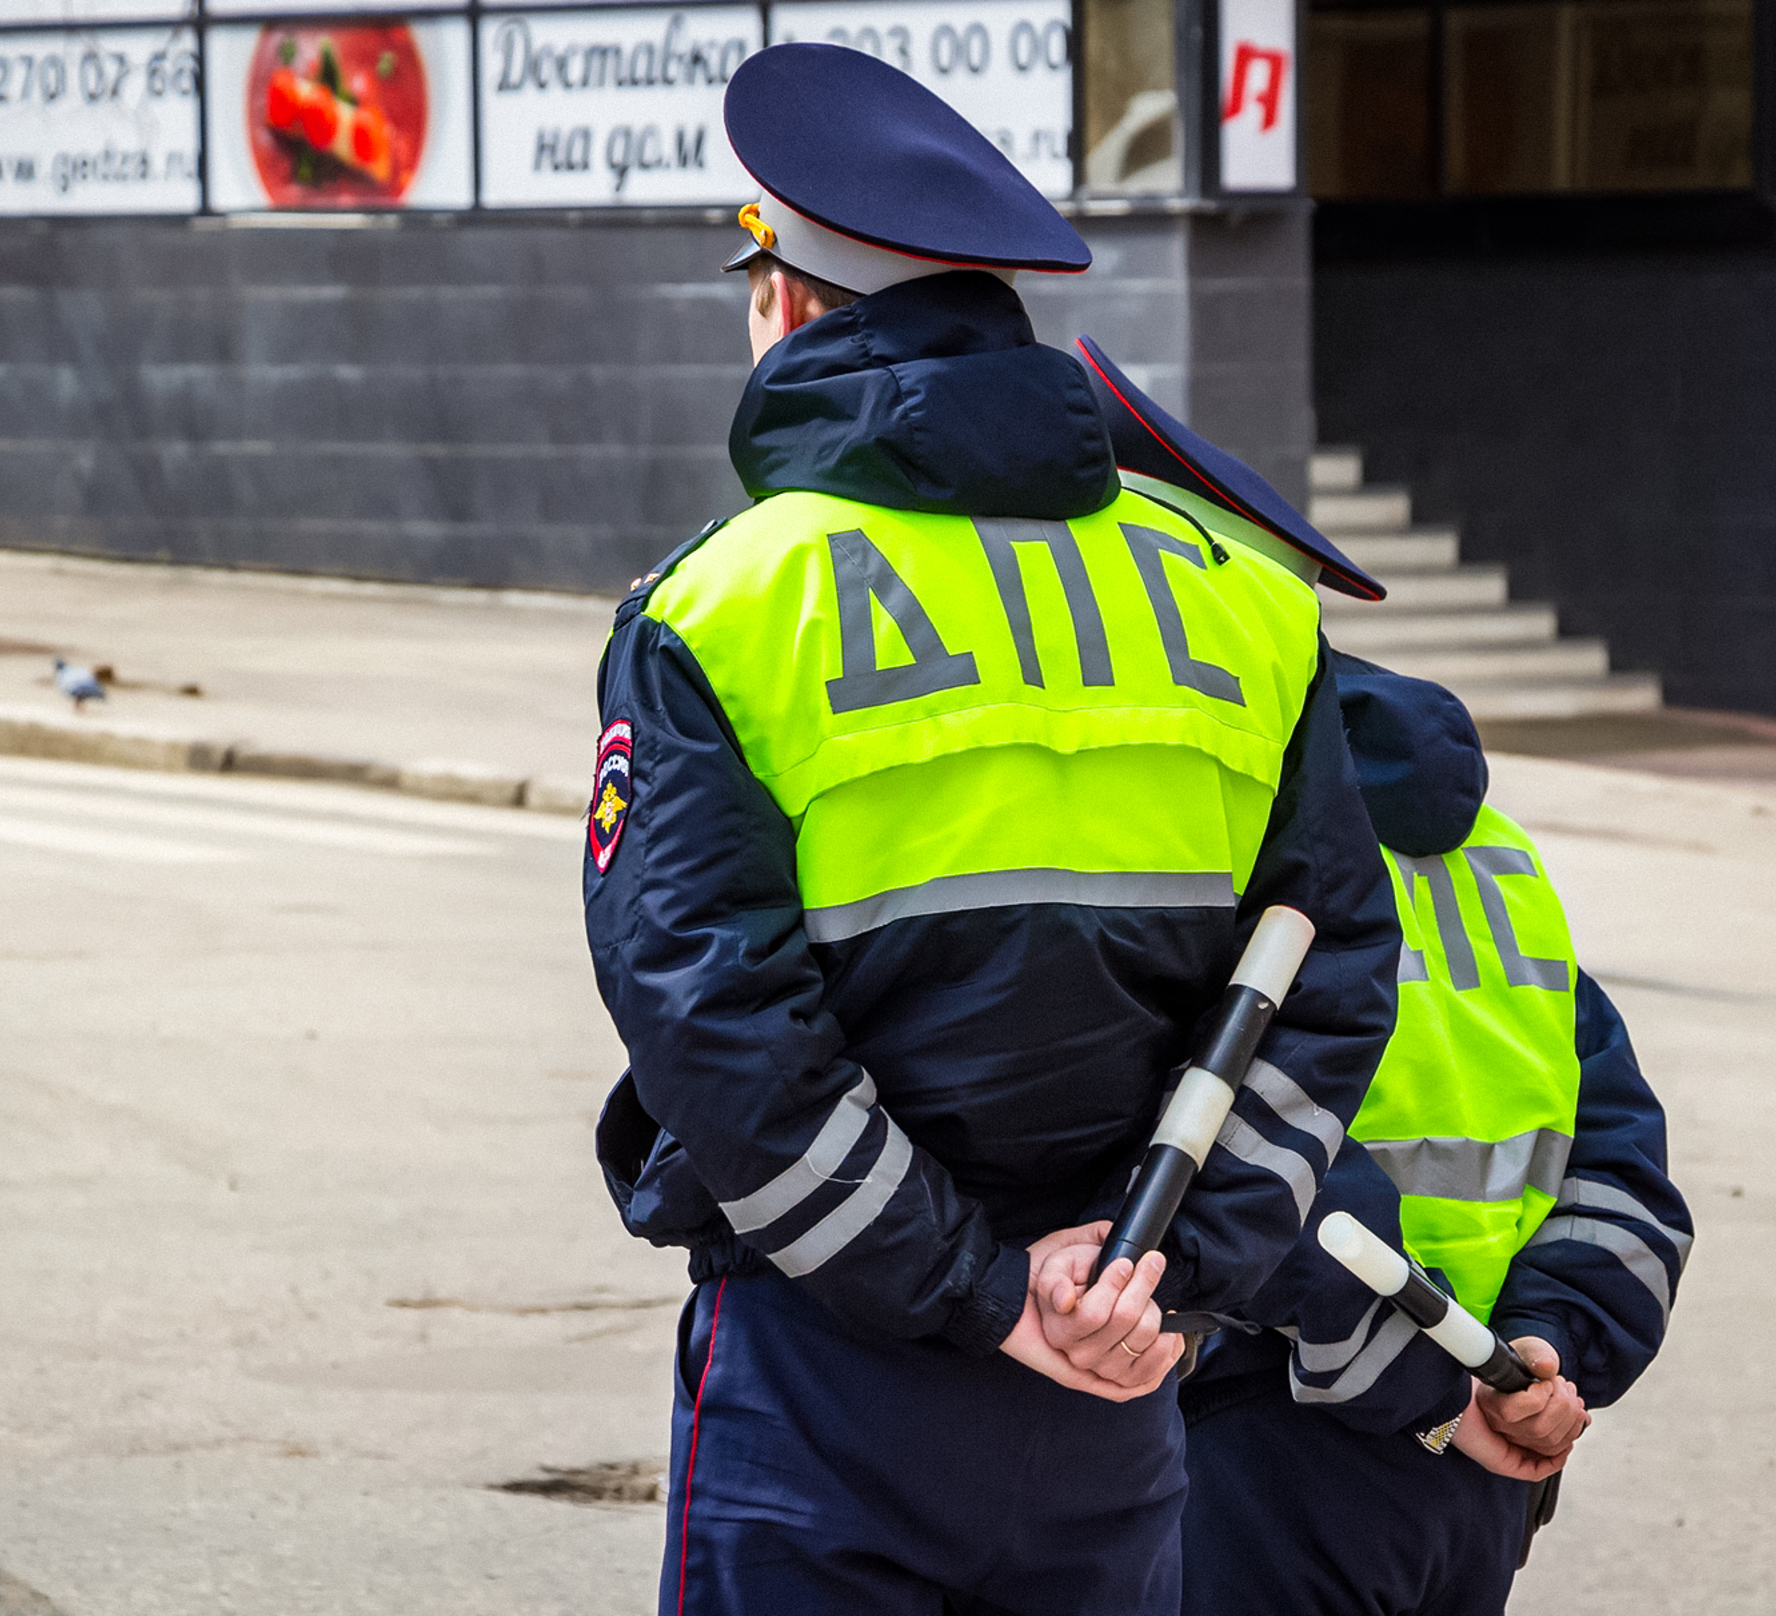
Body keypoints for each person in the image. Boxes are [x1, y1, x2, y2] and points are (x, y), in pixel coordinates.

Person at [585, 42, 1402, 1616]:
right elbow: (1337, 972)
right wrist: (1160, 1267)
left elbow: (708, 1013)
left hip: (832, 1372)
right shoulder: (1237, 599)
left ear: (790, 304)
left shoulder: (726, 603)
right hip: (1122, 1363)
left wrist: (973, 1291)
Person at [1172, 653, 1695, 1616]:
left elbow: (1220, 1147)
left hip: (1281, 1440)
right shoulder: (1498, 856)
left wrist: (1442, 1384)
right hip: (1491, 1452)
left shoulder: (1238, 834)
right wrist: (1542, 1351)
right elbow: (1624, 1168)